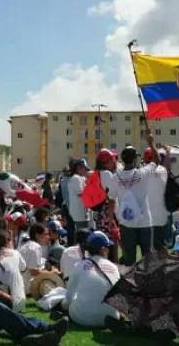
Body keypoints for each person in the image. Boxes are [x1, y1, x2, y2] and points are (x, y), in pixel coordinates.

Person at [102, 134, 162, 266]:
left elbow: (111, 200)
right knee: (148, 259)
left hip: (126, 223)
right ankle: (148, 284)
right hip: (145, 222)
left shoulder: (115, 178)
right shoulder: (143, 173)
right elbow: (157, 160)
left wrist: (111, 220)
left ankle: (132, 284)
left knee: (129, 261)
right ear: (135, 159)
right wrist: (151, 143)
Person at [63, 231, 122, 328]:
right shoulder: (114, 267)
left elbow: (69, 297)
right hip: (111, 316)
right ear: (103, 249)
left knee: (69, 303)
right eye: (107, 247)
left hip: (83, 317)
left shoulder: (79, 265)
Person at [19, 223, 60, 292]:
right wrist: (52, 273)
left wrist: (50, 268)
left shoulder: (29, 244)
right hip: (25, 287)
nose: (49, 237)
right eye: (46, 234)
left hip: (21, 282)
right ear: (38, 236)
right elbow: (34, 272)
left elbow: (41, 262)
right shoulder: (35, 247)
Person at [66, 158, 91, 236]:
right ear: (79, 168)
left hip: (80, 210)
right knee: (83, 233)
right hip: (80, 211)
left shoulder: (77, 178)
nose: (85, 171)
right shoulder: (76, 178)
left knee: (82, 232)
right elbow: (81, 194)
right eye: (84, 169)